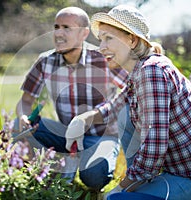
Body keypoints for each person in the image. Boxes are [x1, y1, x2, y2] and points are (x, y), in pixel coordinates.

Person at [65, 5, 191, 200]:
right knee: (124, 111)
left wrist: (120, 188)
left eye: (109, 38)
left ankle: (137, 181)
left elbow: (155, 147)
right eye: (101, 40)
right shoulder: (140, 71)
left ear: (132, 40)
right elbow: (114, 106)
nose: (101, 48)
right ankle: (141, 180)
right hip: (181, 171)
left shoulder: (152, 72)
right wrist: (82, 120)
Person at [14, 6, 129, 191]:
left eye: (66, 28)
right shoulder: (45, 61)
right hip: (64, 132)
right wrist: (23, 117)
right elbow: (26, 102)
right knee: (15, 127)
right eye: (56, 27)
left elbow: (133, 89)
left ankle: (89, 162)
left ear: (84, 33)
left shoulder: (104, 59)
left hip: (101, 136)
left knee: (94, 177)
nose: (58, 33)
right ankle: (58, 164)